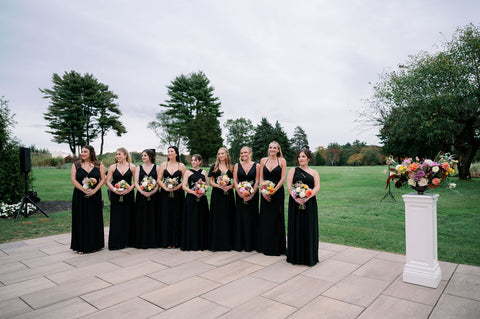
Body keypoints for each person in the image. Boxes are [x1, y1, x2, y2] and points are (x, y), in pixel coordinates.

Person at [286, 148, 320, 266]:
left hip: (309, 203)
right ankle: (295, 256)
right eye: (299, 156)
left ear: (308, 158)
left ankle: (309, 257)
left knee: (308, 227)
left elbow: (317, 187)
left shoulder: (314, 172)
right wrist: (295, 197)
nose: (301, 159)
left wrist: (308, 196)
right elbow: (289, 185)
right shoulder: (292, 170)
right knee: (296, 227)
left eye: (303, 156)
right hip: (295, 202)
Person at [70, 145, 105, 254]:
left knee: (94, 218)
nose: (82, 153)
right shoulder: (76, 164)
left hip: (95, 196)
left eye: (85, 151)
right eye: (82, 151)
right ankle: (81, 246)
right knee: (81, 219)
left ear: (91, 153)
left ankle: (95, 244)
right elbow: (73, 180)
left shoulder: (99, 165)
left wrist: (94, 191)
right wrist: (83, 190)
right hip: (79, 195)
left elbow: (103, 179)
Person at [258, 141, 287, 256]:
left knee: (277, 218)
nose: (272, 150)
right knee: (266, 219)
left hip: (277, 193)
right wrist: (264, 191)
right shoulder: (263, 160)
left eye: (275, 148)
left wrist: (273, 190)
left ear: (278, 150)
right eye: (270, 147)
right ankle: (265, 245)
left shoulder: (282, 161)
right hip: (264, 192)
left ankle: (277, 247)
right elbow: (261, 177)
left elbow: (283, 178)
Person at [105, 147, 136, 250]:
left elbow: (135, 182)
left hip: (128, 195)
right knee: (116, 217)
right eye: (116, 154)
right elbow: (108, 181)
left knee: (128, 216)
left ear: (125, 155)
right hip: (115, 195)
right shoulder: (113, 167)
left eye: (119, 154)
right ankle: (116, 242)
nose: (117, 156)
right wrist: (114, 189)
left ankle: (128, 241)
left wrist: (129, 190)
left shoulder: (132, 167)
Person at [158, 146, 186, 248]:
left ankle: (176, 242)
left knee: (177, 215)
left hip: (178, 194)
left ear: (176, 153)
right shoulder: (163, 165)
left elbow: (184, 180)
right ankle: (166, 241)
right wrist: (165, 188)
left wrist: (176, 187)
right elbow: (159, 179)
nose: (169, 153)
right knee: (166, 216)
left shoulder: (181, 165)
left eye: (172, 151)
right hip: (165, 194)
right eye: (168, 151)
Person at [208, 147, 236, 251]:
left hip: (228, 195)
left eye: (222, 153)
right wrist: (218, 186)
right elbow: (210, 181)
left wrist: (229, 186)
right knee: (217, 217)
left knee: (228, 216)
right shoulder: (214, 166)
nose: (221, 156)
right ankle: (216, 243)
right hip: (217, 195)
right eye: (219, 154)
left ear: (226, 154)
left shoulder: (232, 167)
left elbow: (235, 182)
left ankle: (228, 243)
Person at [233, 146, 259, 252]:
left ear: (250, 153)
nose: (243, 155)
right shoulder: (237, 165)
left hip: (253, 195)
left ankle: (252, 244)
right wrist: (240, 193)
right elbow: (235, 180)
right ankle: (240, 244)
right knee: (241, 217)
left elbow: (257, 181)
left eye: (245, 152)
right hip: (240, 195)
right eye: (241, 153)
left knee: (252, 217)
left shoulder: (257, 165)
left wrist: (251, 194)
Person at [181, 154, 209, 251]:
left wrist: (203, 191)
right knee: (192, 220)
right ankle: (191, 243)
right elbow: (184, 186)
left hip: (202, 199)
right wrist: (194, 192)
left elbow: (207, 185)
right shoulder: (188, 172)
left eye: (195, 160)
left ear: (200, 162)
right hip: (191, 199)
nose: (193, 162)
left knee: (202, 220)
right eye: (192, 160)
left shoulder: (204, 172)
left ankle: (202, 243)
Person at [133, 149, 160, 249]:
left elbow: (159, 181)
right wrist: (142, 191)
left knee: (153, 216)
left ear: (150, 156)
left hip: (154, 196)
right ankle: (141, 241)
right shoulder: (138, 168)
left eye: (145, 155)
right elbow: (136, 182)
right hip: (141, 196)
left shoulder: (157, 167)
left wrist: (153, 191)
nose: (143, 157)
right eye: (142, 155)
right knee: (142, 217)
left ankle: (153, 241)